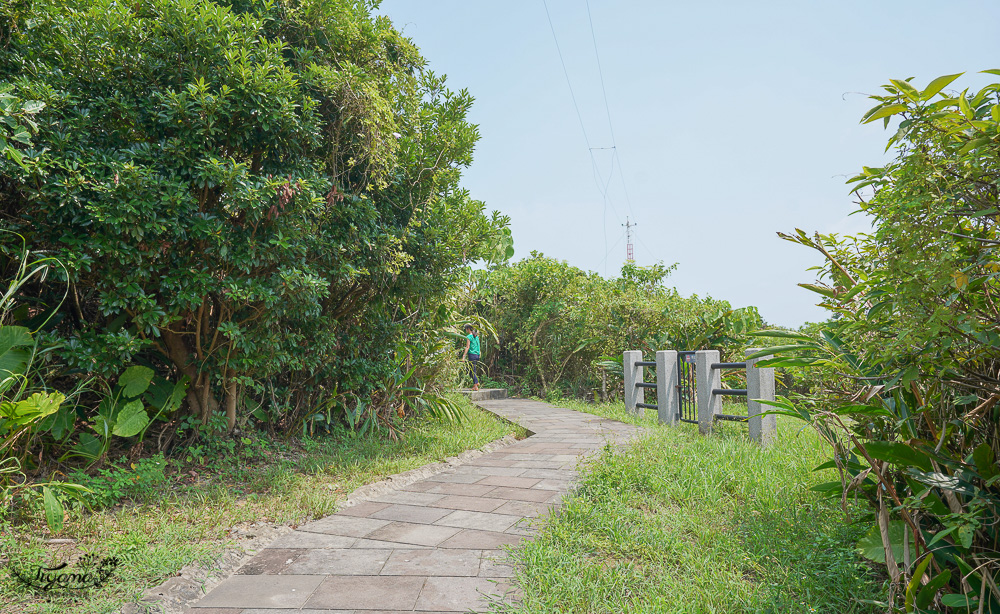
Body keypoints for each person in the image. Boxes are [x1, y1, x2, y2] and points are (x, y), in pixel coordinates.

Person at [463, 324, 481, 391]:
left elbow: (467, 347)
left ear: (468, 329)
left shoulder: (469, 337)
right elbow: (478, 345)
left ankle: (476, 383)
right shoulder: (476, 336)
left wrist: (463, 356)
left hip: (472, 355)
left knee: (472, 370)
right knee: (472, 370)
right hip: (477, 355)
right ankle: (475, 385)